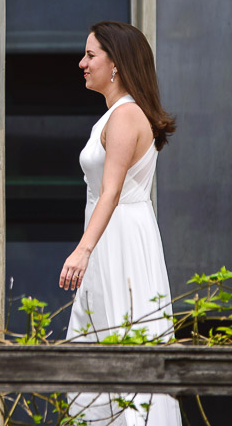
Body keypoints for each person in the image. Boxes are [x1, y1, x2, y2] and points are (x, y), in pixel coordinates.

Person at [59, 21, 179, 426]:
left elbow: (111, 191)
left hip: (121, 239)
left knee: (122, 342)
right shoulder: (115, 115)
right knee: (95, 344)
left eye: (91, 55)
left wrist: (82, 249)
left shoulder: (126, 116)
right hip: (111, 237)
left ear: (117, 63)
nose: (82, 63)